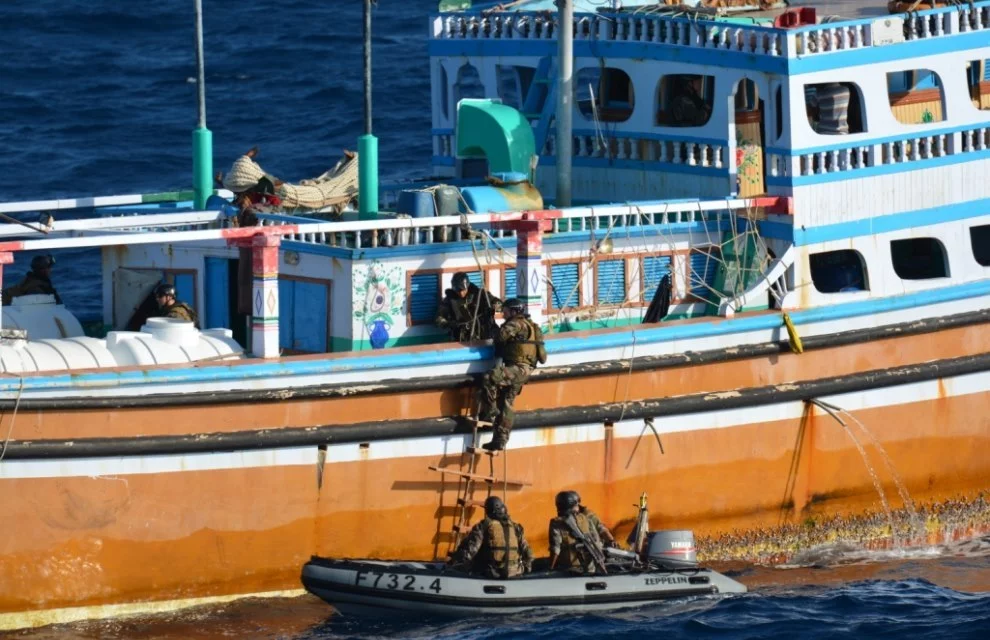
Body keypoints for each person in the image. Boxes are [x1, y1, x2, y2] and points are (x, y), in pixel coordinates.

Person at [478, 298, 547, 452]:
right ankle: (500, 440)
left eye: (506, 310)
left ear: (514, 311)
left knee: (489, 378)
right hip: (525, 370)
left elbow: (499, 337)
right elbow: (542, 357)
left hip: (518, 368)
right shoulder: (533, 326)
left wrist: (489, 320)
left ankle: (490, 413)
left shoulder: (515, 323)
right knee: (506, 401)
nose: (503, 313)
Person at [448, 496, 533, 579]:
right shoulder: (515, 527)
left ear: (488, 510)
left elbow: (471, 551)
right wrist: (527, 568)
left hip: (492, 573)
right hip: (515, 572)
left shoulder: (483, 526)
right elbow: (528, 553)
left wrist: (453, 563)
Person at [548, 490, 605, 575]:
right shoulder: (584, 518)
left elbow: (555, 550)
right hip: (590, 568)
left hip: (570, 570)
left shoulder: (556, 523)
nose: (578, 506)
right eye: (576, 505)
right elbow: (597, 540)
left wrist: (550, 569)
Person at [435, 272, 502, 342]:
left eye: (463, 290)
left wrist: (493, 306)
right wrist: (449, 324)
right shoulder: (449, 300)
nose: (461, 293)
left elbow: (500, 305)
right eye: (458, 291)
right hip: (462, 339)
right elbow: (438, 318)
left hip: (485, 335)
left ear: (467, 286)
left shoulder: (480, 294)